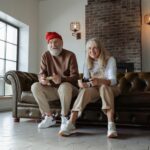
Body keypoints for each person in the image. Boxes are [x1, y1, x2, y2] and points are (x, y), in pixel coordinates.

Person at [59, 38, 121, 138]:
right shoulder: (87, 62)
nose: (92, 51)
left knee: (104, 88)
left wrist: (100, 81)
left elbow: (113, 80)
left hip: (110, 87)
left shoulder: (110, 59)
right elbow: (87, 81)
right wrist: (82, 85)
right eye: (89, 48)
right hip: (96, 88)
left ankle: (111, 125)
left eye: (95, 48)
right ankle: (70, 123)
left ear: (100, 48)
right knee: (84, 91)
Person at [31, 32, 79, 129]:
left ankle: (65, 117)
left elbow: (75, 77)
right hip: (53, 90)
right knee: (35, 86)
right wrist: (42, 79)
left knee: (64, 86)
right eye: (51, 42)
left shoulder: (70, 55)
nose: (53, 45)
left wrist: (61, 79)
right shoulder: (45, 55)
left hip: (69, 89)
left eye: (56, 42)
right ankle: (49, 117)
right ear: (48, 44)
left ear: (61, 43)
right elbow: (41, 73)